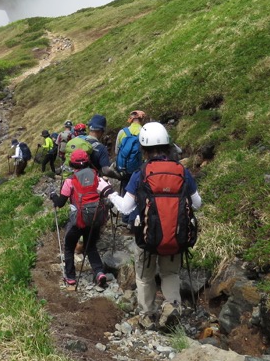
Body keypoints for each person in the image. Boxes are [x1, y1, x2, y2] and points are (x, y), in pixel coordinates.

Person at [107, 122, 202, 324]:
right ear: (168, 145)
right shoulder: (182, 172)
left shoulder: (140, 174)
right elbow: (197, 203)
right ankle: (172, 306)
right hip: (176, 234)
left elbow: (125, 207)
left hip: (146, 235)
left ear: (143, 148)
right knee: (170, 273)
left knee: (144, 277)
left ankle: (147, 316)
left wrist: (110, 193)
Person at [50, 150, 114, 288]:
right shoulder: (97, 177)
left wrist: (53, 196)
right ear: (87, 162)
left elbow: (60, 203)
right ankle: (99, 272)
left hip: (78, 220)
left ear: (72, 164)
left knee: (69, 247)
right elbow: (109, 192)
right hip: (95, 218)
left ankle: (71, 277)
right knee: (90, 247)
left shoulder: (70, 181)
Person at [114, 110, 146, 229]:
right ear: (141, 119)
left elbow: (117, 151)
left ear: (130, 119)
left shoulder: (123, 132)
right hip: (138, 168)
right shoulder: (144, 131)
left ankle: (124, 217)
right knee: (137, 192)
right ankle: (132, 220)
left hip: (124, 168)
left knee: (125, 189)